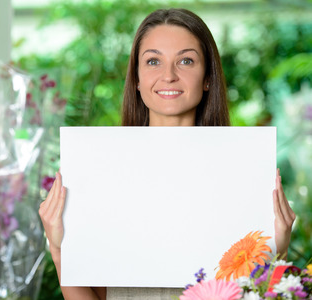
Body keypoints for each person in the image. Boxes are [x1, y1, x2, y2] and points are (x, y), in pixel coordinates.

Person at [38, 8, 296, 300]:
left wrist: (278, 247)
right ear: (136, 78)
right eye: (153, 61)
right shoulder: (103, 172)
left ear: (208, 77)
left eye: (186, 60)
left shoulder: (243, 174)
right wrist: (60, 249)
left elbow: (256, 293)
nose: (169, 76)